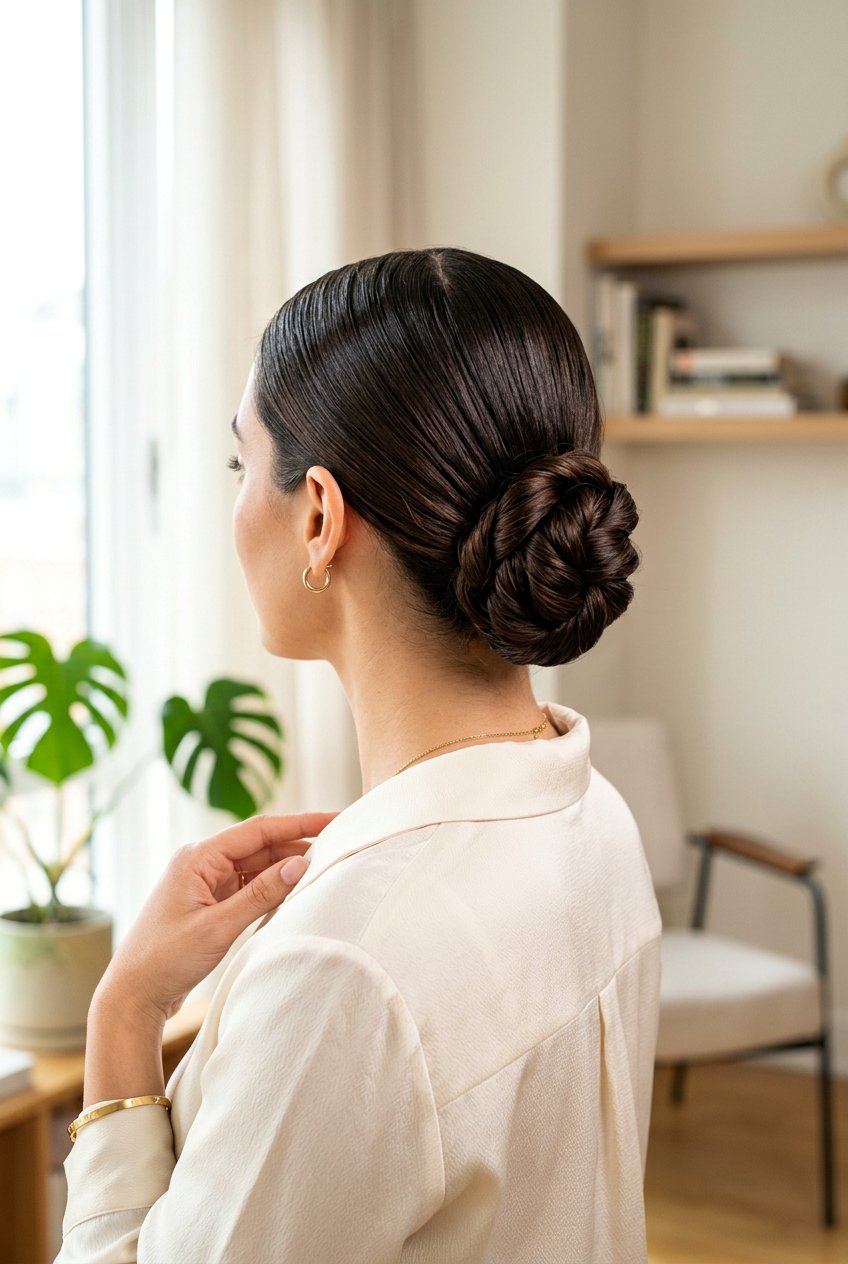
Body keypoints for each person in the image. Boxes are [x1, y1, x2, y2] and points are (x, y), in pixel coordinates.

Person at [58, 247, 662, 1262]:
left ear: (319, 516)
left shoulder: (347, 968)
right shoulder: (593, 815)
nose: (234, 503)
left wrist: (123, 1017)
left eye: (239, 464)